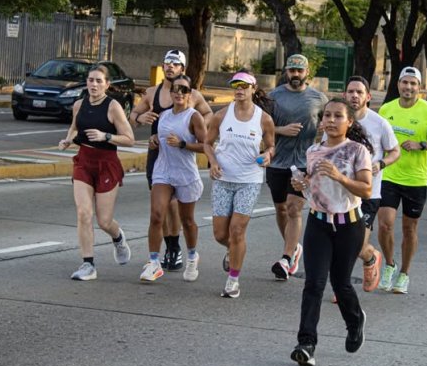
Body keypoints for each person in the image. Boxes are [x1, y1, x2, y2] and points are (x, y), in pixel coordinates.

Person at [289, 98, 374, 366]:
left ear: (349, 122)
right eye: (327, 115)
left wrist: (340, 177)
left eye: (338, 116)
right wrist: (301, 183)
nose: (331, 120)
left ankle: (355, 320)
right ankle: (306, 343)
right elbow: (313, 189)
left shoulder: (357, 151)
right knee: (313, 283)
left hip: (349, 225)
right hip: (318, 223)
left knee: (341, 282)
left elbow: (366, 190)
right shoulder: (314, 150)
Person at [130, 49, 213, 272]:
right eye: (167, 63)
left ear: (182, 69)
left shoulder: (192, 95)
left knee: (176, 208)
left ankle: (175, 250)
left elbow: (208, 115)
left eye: (175, 64)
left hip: (182, 157)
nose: (170, 67)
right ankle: (157, 258)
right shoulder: (152, 92)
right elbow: (133, 117)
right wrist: (141, 117)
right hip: (158, 154)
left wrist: (193, 130)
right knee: (160, 209)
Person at [377, 66, 427, 294]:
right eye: (404, 82)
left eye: (413, 84)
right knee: (385, 223)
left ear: (420, 87)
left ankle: (404, 273)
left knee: (409, 228)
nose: (408, 87)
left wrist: (422, 145)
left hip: (416, 180)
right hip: (388, 175)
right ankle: (389, 264)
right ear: (398, 84)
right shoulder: (386, 109)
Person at [58, 64, 134, 281]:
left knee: (104, 221)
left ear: (107, 85)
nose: (94, 84)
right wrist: (68, 140)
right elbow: (75, 127)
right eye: (91, 80)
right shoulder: (79, 104)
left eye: (99, 81)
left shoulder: (113, 107)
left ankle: (118, 238)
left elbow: (129, 138)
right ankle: (88, 264)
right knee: (83, 213)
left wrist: (105, 136)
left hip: (106, 163)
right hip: (83, 161)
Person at [204, 70, 276, 298]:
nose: (239, 90)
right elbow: (207, 143)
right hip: (223, 180)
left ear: (253, 89)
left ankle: (233, 280)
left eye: (244, 86)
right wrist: (212, 162)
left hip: (249, 181)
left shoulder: (263, 118)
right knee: (219, 234)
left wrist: (268, 155)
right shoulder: (221, 116)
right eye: (236, 86)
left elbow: (271, 146)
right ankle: (232, 250)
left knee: (237, 231)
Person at [332, 77, 400, 300]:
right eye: (350, 91)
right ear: (344, 95)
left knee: (356, 244)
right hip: (341, 191)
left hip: (369, 192)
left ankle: (370, 257)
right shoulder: (337, 120)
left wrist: (380, 164)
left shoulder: (379, 123)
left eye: (359, 92)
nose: (354, 95)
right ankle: (340, 286)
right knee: (339, 240)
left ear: (368, 97)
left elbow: (394, 152)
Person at [140, 74, 208, 283]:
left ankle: (191, 256)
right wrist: (153, 140)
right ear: (170, 93)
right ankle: (153, 263)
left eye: (184, 90)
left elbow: (205, 145)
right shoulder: (164, 115)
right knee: (156, 215)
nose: (179, 93)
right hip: (163, 171)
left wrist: (182, 144)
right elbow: (157, 137)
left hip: (185, 173)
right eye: (176, 89)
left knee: (187, 221)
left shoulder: (193, 116)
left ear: (190, 94)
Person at [267, 53, 329, 281]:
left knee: (294, 208)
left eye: (299, 71)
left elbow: (331, 123)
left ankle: (286, 257)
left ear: (307, 73)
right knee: (281, 209)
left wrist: (324, 144)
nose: (295, 75)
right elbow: (262, 126)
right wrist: (282, 130)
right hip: (277, 161)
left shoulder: (318, 98)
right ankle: (293, 249)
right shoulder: (274, 96)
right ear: (286, 71)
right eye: (291, 70)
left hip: (304, 162)